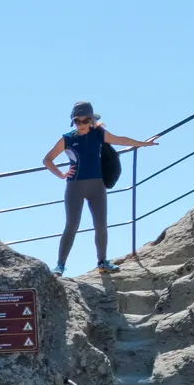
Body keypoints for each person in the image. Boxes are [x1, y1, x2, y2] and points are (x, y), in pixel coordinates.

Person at [42, 101, 155, 276]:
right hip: (75, 187)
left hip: (97, 186)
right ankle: (60, 265)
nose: (81, 124)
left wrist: (144, 143)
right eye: (77, 121)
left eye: (85, 120)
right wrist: (61, 174)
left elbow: (120, 140)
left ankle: (102, 262)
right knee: (72, 225)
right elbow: (47, 159)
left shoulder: (99, 134)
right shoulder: (67, 138)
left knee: (101, 225)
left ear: (91, 120)